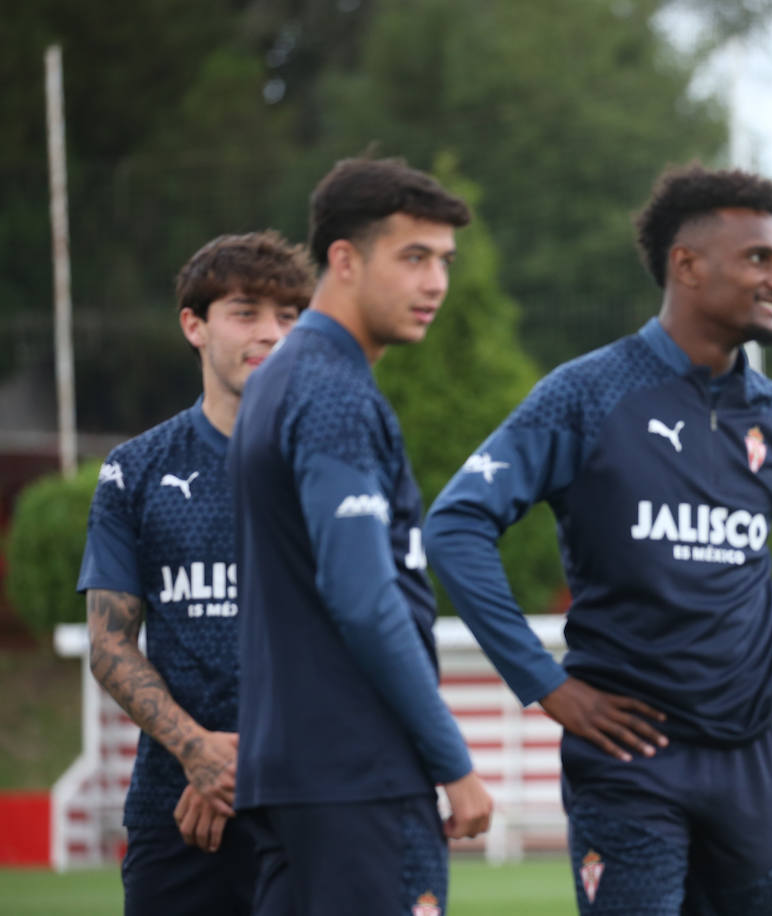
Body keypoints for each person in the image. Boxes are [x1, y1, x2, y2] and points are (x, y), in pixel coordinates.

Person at [423, 164, 772, 914]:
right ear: (687, 266)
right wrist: (547, 686)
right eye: (759, 258)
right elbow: (456, 524)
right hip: (630, 761)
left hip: (751, 760)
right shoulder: (588, 393)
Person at [227, 157, 493, 916]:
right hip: (358, 779)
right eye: (413, 258)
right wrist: (451, 760)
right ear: (343, 259)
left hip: (290, 773)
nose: (436, 283)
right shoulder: (333, 390)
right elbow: (364, 598)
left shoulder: (281, 378)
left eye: (443, 261)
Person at [77, 230, 313, 914]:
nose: (270, 334)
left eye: (288, 317)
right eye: (245, 312)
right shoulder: (136, 469)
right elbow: (110, 641)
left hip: (307, 803)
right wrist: (196, 752)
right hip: (176, 808)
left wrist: (241, 767)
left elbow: (361, 636)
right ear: (194, 325)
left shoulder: (335, 463)